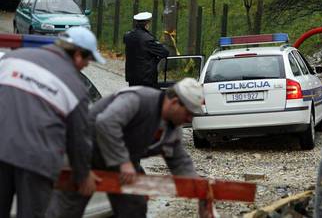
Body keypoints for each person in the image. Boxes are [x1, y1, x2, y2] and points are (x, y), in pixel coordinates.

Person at [46, 78, 207, 218]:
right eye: (188, 113)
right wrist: (123, 162)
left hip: (121, 165)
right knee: (67, 211)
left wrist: (198, 188)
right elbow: (106, 123)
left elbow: (179, 162)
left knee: (134, 206)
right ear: (174, 102)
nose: (189, 118)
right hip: (85, 156)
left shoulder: (172, 130)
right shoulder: (138, 99)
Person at [0, 27, 105, 218]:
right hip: (37, 161)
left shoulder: (12, 59)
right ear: (79, 55)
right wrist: (83, 175)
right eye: (88, 62)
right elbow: (79, 138)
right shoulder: (75, 88)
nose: (85, 67)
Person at [124, 11, 169, 88]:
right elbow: (164, 52)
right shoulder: (147, 39)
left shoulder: (127, 36)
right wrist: (156, 59)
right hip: (146, 78)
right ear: (147, 24)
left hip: (132, 77)